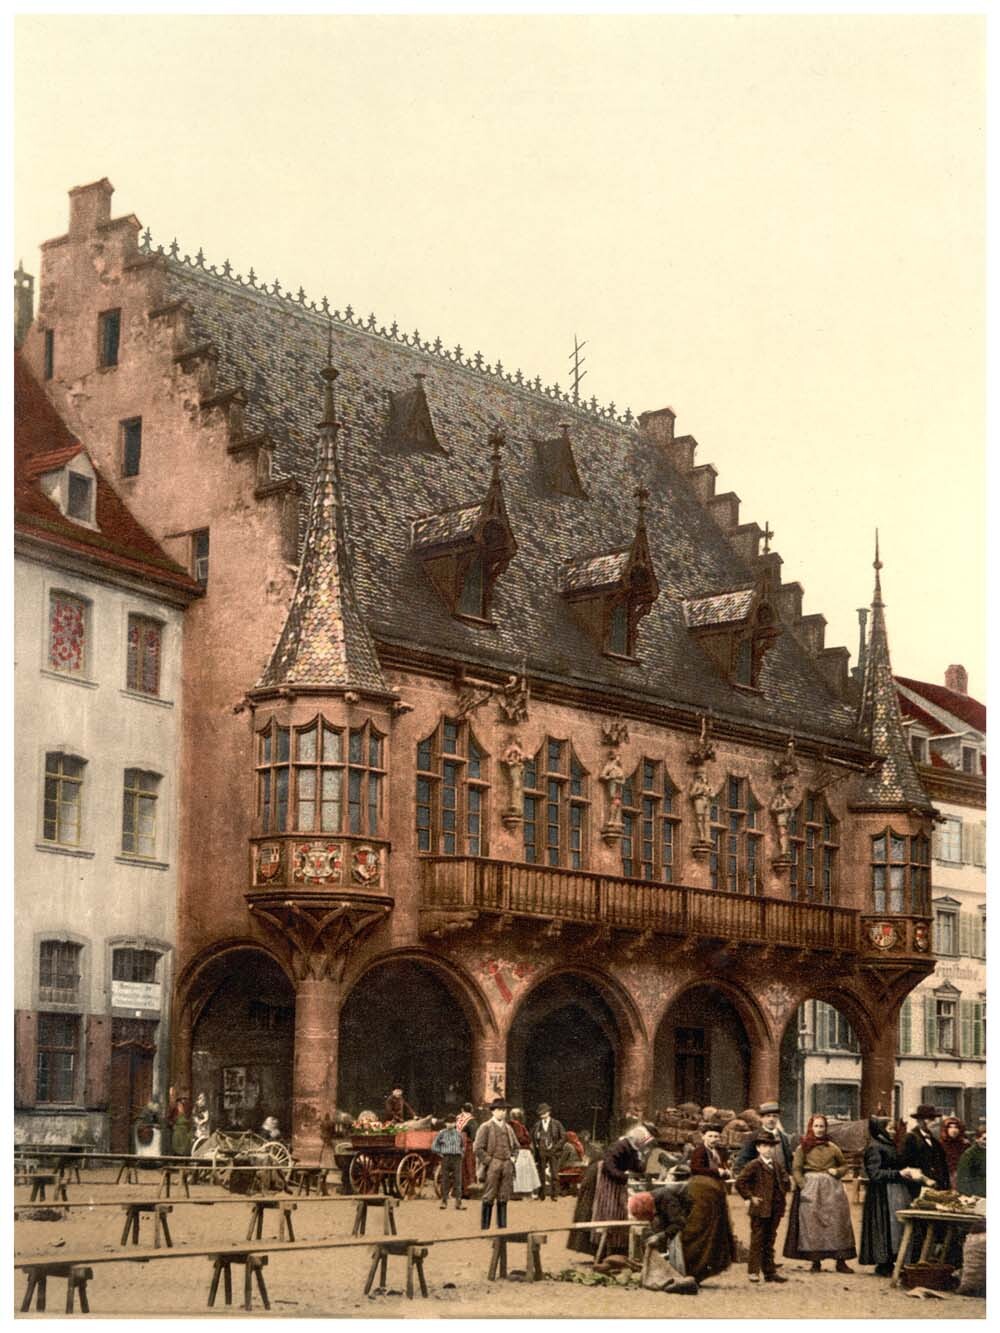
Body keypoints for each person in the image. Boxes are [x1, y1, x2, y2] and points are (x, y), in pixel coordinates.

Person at [783, 1113, 856, 1273]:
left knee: (837, 1223)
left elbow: (844, 1166)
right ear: (811, 1127)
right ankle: (815, 1261)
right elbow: (796, 1168)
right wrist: (803, 1185)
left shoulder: (832, 1147)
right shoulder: (803, 1147)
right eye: (816, 1126)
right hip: (811, 1188)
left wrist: (837, 1171)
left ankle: (840, 1261)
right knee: (812, 1224)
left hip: (832, 1190)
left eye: (822, 1126)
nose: (819, 1130)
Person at [859, 1116, 922, 1276]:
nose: (893, 1132)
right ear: (881, 1130)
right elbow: (874, 1173)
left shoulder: (889, 1145)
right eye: (890, 1129)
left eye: (894, 1129)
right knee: (885, 1227)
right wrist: (899, 1173)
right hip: (881, 1194)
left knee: (894, 1227)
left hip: (893, 1191)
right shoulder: (875, 1147)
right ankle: (883, 1263)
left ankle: (893, 1260)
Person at [590, 1123, 653, 1255]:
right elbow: (609, 1165)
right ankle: (605, 1248)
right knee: (609, 1210)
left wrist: (645, 1158)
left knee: (619, 1210)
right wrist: (623, 1177)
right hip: (607, 1180)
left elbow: (637, 1167)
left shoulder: (633, 1148)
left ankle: (616, 1247)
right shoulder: (620, 1146)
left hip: (617, 1179)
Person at [735, 1131, 789, 1283]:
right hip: (760, 1209)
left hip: (775, 1208)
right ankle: (753, 1272)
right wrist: (750, 1197)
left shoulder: (777, 1165)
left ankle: (770, 1272)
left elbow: (785, 1181)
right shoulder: (754, 1165)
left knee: (770, 1240)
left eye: (771, 1146)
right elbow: (740, 1182)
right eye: (764, 1146)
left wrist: (783, 1189)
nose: (768, 1149)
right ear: (758, 1148)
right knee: (757, 1240)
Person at [474, 1099, 519, 1230]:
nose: (502, 1113)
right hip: (493, 1165)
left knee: (503, 1196)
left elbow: (516, 1146)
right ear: (493, 1111)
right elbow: (478, 1148)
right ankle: (485, 1229)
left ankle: (502, 1230)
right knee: (489, 1196)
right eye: (499, 1110)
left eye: (504, 1110)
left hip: (507, 1165)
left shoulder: (509, 1128)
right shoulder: (485, 1127)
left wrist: (513, 1159)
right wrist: (489, 1161)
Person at [734, 1102, 792, 1174]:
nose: (771, 1119)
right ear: (761, 1118)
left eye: (774, 1116)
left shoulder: (783, 1137)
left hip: (781, 1179)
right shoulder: (753, 1137)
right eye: (768, 1116)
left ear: (778, 1118)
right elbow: (742, 1161)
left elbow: (788, 1161)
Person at [900, 1104, 949, 1189]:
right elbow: (906, 1165)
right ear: (920, 1120)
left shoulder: (935, 1141)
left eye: (934, 1119)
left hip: (936, 1187)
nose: (934, 1122)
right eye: (930, 1119)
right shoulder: (911, 1138)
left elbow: (942, 1165)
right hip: (918, 1187)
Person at [532, 1103, 566, 1201]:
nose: (541, 1115)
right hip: (541, 1152)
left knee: (554, 1173)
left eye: (543, 1113)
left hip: (553, 1151)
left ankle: (554, 1194)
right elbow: (533, 1138)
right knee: (541, 1173)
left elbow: (563, 1137)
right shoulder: (537, 1125)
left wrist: (556, 1147)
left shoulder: (556, 1123)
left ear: (548, 1113)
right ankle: (541, 1194)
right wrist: (537, 1145)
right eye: (540, 1113)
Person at [432, 1116, 466, 1210]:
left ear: (455, 1124)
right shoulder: (441, 1133)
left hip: (457, 1158)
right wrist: (441, 1153)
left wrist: (461, 1153)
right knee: (445, 1180)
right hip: (446, 1158)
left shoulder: (458, 1134)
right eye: (448, 1122)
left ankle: (458, 1203)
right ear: (445, 1123)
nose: (450, 1124)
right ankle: (444, 1202)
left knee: (458, 1181)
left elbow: (463, 1145)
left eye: (452, 1122)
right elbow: (434, 1146)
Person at [508, 1107, 542, 1198]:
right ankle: (523, 1192)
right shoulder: (517, 1125)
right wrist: (528, 1139)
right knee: (524, 1172)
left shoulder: (511, 1125)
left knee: (520, 1172)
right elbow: (520, 1138)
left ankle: (520, 1192)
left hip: (518, 1150)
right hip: (522, 1150)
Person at [939, 1116, 971, 1189]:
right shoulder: (940, 1144)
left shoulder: (965, 1144)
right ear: (945, 1129)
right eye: (950, 1127)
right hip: (946, 1176)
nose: (953, 1130)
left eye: (956, 1127)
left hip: (963, 1176)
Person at [956, 1124, 986, 1198]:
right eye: (984, 1139)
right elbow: (962, 1178)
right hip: (976, 1194)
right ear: (977, 1139)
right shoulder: (969, 1155)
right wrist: (969, 1195)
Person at [456, 1102, 478, 1194]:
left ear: (462, 1109)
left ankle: (460, 1190)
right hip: (468, 1146)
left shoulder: (458, 1118)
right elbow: (474, 1136)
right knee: (469, 1167)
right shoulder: (471, 1120)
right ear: (471, 1110)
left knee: (461, 1168)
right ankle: (468, 1191)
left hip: (457, 1144)